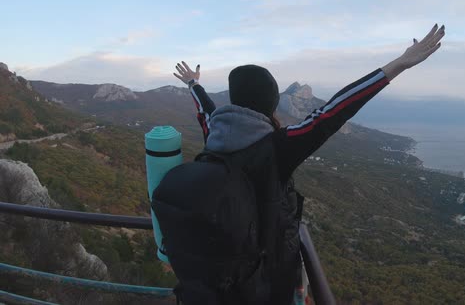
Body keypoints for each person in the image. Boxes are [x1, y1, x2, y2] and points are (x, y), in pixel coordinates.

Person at [171, 24, 445, 304]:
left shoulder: (215, 136)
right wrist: (398, 64)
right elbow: (335, 110)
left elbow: (206, 111)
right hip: (262, 282)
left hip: (218, 276)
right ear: (272, 103)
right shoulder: (278, 147)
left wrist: (194, 83)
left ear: (235, 100)